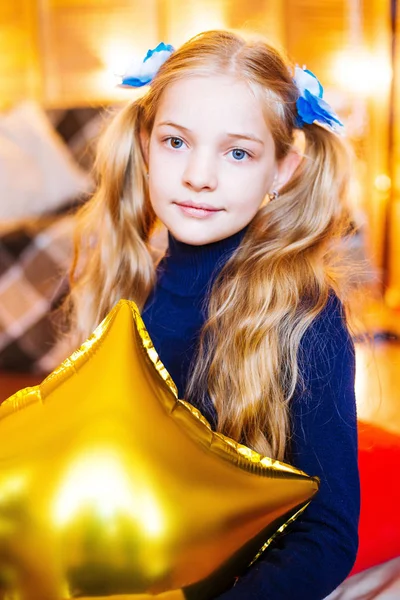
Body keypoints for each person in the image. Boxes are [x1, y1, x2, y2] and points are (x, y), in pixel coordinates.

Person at [65, 30, 360, 600]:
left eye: (238, 152)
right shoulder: (125, 285)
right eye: (177, 142)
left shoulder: (305, 317)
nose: (200, 175)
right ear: (146, 143)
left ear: (282, 171)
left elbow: (327, 534)